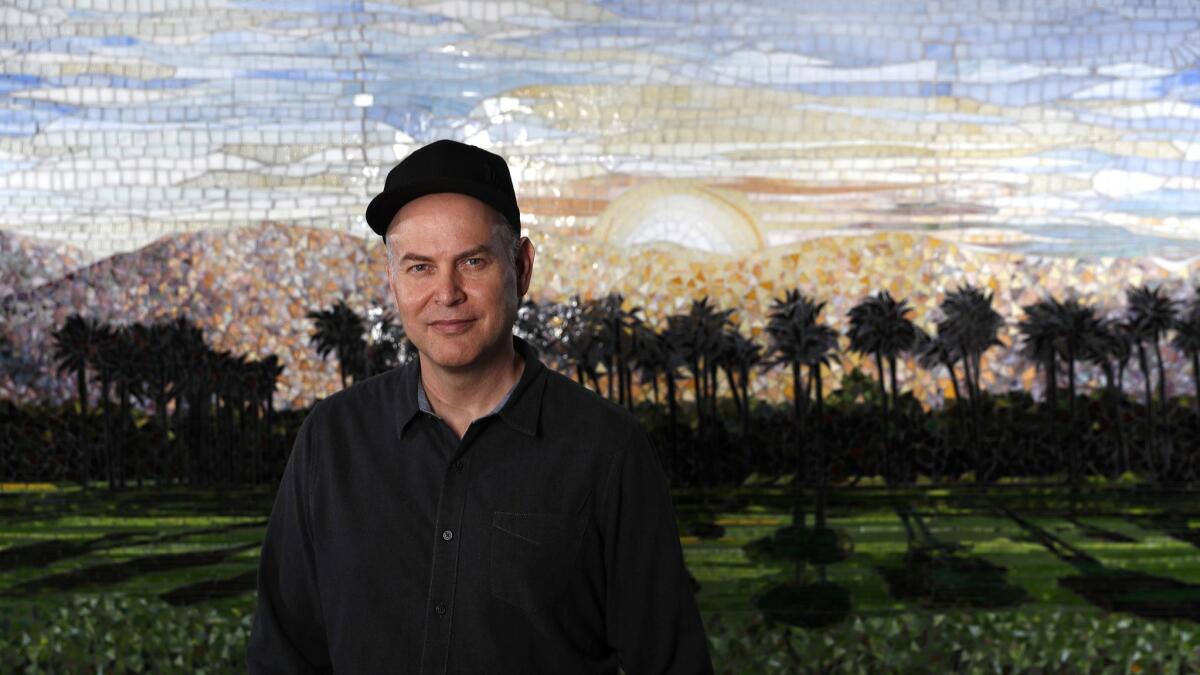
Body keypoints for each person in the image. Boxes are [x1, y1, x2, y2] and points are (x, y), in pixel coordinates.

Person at [246, 139, 714, 674]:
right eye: (420, 267)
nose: (446, 294)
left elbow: (673, 664)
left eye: (472, 262)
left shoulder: (608, 451)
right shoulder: (331, 440)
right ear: (393, 281)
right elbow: (282, 655)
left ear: (521, 265)